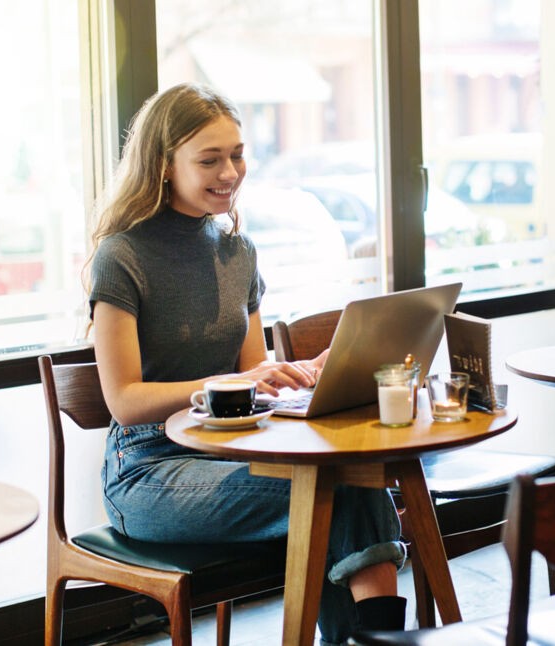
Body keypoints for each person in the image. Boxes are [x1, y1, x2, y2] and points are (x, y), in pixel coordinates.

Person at [86, 82, 407, 644]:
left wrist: (310, 373)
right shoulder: (123, 256)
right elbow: (125, 401)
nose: (230, 172)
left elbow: (253, 385)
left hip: (229, 454)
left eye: (236, 155)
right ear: (163, 166)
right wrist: (230, 380)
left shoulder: (238, 251)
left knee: (345, 484)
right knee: (338, 490)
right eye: (209, 159)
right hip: (147, 470)